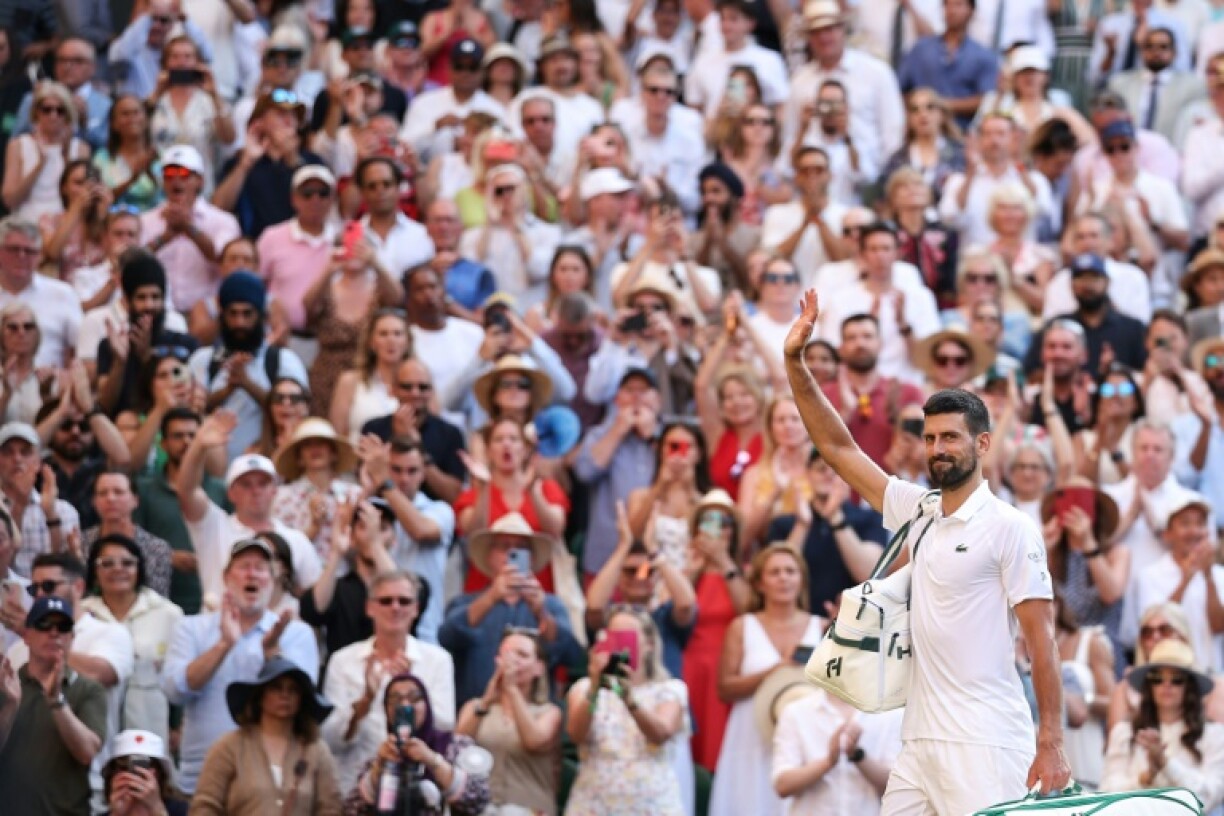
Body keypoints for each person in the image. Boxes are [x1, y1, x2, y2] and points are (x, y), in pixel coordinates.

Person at [782, 288, 1072, 812]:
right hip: (918, 742)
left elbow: (1042, 639)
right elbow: (838, 447)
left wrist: (1050, 740)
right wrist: (794, 363)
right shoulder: (916, 509)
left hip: (986, 742)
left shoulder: (1011, 527)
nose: (937, 449)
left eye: (950, 438)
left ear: (982, 445)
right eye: (931, 438)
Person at [161, 537, 319, 794]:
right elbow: (175, 691)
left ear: (273, 580)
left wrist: (272, 659)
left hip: (271, 782)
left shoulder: (295, 633)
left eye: (261, 568)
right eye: (244, 566)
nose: (252, 574)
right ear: (226, 578)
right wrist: (224, 645)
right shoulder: (191, 628)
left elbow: (304, 706)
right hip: (203, 780)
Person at [710, 545, 825, 816]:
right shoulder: (743, 626)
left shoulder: (820, 626)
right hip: (751, 731)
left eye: (790, 571)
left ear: (802, 580)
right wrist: (775, 670)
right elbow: (724, 688)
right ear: (760, 584)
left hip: (805, 735)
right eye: (774, 572)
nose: (783, 578)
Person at [320, 569, 454, 792]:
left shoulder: (438, 659)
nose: (395, 607)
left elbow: (445, 725)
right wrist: (364, 703)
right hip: (357, 787)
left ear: (416, 609)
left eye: (404, 601)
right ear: (369, 608)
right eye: (386, 601)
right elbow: (330, 739)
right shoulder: (343, 661)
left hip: (418, 786)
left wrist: (412, 689)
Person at [439, 514, 581, 706]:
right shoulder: (465, 603)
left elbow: (571, 656)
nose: (511, 552)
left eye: (521, 548)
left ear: (530, 558)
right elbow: (446, 638)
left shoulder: (551, 604)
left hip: (535, 720)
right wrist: (491, 597)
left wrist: (541, 612)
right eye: (504, 546)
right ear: (490, 556)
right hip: (477, 715)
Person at [566, 607, 689, 816]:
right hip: (593, 804)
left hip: (651, 805)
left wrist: (629, 699)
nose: (619, 643)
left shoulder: (669, 690)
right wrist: (595, 687)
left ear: (649, 644)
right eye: (612, 635)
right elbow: (576, 734)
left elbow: (661, 733)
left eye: (626, 635)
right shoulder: (584, 688)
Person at [192, 657, 342, 815]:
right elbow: (205, 805)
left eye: (293, 690)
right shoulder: (229, 747)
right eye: (276, 688)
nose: (285, 695)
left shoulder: (316, 751)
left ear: (301, 699)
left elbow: (331, 807)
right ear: (260, 696)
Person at [187, 271, 310, 459]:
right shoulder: (203, 360)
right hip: (209, 471)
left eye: (247, 314)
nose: (240, 322)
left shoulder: (283, 361)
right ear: (222, 315)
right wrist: (227, 390)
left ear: (261, 316)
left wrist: (248, 384)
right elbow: (188, 415)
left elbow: (298, 414)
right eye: (233, 314)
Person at [0, 597, 106, 816]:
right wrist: (10, 704)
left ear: (72, 638)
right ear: (26, 635)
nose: (54, 632)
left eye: (63, 626)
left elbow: (87, 753)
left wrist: (56, 701)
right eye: (43, 624)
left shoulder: (88, 689)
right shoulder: (6, 684)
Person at [1099, 639, 1224, 810]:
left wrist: (1165, 763)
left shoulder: (1215, 735)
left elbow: (1208, 798)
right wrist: (1146, 776)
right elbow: (1107, 794)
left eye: (1177, 679)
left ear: (1190, 686)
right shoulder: (1125, 732)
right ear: (1148, 685)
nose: (1166, 685)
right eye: (1157, 678)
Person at [80, 533, 182, 742]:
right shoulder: (82, 615)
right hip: (96, 730)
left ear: (140, 568)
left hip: (150, 730)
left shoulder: (168, 614)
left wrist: (177, 726)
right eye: (107, 563)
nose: (118, 569)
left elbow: (178, 678)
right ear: (94, 571)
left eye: (127, 563)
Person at [342, 672, 491, 815]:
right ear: (386, 710)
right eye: (395, 700)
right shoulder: (382, 756)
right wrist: (379, 768)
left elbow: (477, 800)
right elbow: (352, 810)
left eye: (414, 698)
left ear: (426, 704)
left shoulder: (454, 746)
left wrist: (432, 760)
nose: (405, 705)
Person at [455, 628, 562, 814]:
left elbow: (534, 741)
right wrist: (486, 701)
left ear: (539, 667)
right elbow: (459, 746)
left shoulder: (549, 712)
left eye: (522, 655)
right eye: (507, 654)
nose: (513, 661)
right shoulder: (476, 707)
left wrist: (511, 690)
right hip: (481, 808)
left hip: (529, 808)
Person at [140, 145, 241, 313]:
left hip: (207, 316)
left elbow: (222, 258)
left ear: (200, 180)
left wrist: (189, 228)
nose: (176, 180)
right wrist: (163, 239)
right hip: (157, 313)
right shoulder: (145, 221)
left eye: (184, 174)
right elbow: (132, 263)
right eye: (169, 174)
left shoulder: (223, 221)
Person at [271, 418, 362, 562]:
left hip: (345, 576)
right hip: (300, 580)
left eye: (321, 443)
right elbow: (281, 553)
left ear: (334, 453)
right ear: (299, 458)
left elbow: (363, 549)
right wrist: (314, 527)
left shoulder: (354, 494)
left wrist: (346, 523)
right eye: (307, 445)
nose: (315, 449)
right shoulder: (282, 497)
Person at [2, 81, 90, 222]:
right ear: (36, 112)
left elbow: (82, 198)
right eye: (47, 109)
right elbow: (10, 200)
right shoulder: (18, 145)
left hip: (64, 224)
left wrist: (65, 154)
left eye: (60, 110)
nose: (53, 115)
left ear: (68, 114)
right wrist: (40, 164)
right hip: (26, 224)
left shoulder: (80, 148)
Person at [100, 728, 187, 816]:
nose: (136, 776)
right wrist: (116, 814)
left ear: (158, 773)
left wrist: (157, 810)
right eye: (125, 767)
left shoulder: (179, 810)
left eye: (145, 767)